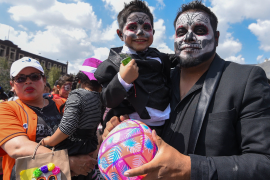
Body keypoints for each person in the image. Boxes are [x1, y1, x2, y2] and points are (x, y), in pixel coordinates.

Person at [102, 1, 270, 179]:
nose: (188, 37)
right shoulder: (162, 79)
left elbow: (264, 162)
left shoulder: (244, 79)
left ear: (217, 37)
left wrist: (189, 168)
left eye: (199, 30)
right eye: (181, 31)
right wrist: (119, 131)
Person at [0, 57, 97, 180]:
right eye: (21, 78)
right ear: (12, 85)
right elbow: (18, 147)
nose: (28, 82)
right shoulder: (5, 109)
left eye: (34, 76)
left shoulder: (65, 104)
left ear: (44, 80)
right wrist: (68, 162)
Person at [94, 0, 171, 135]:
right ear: (120, 34)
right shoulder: (115, 63)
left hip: (166, 128)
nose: (140, 32)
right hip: (130, 131)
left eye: (146, 27)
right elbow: (107, 100)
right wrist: (122, 80)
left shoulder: (160, 57)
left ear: (153, 31)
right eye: (132, 27)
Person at [42, 58, 103, 180]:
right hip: (89, 145)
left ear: (79, 80)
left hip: (72, 146)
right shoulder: (101, 98)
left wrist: (49, 141)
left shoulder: (78, 95)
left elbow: (67, 127)